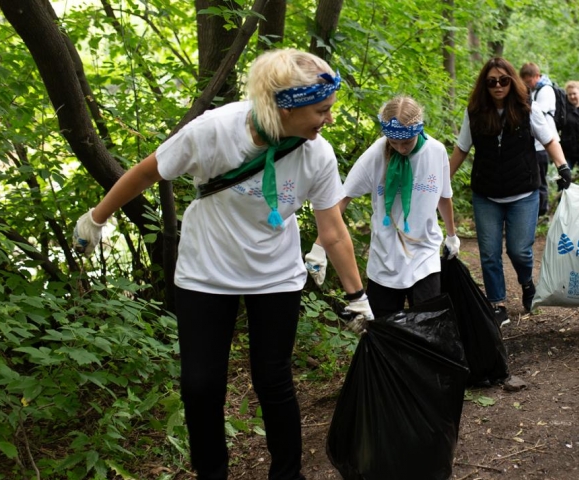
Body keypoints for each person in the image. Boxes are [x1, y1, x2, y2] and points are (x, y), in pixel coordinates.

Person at [71, 48, 373, 480]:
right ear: (286, 107)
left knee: (273, 379)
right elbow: (148, 171)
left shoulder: (317, 154)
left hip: (275, 275)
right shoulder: (214, 130)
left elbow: (334, 230)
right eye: (321, 110)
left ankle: (287, 475)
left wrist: (357, 296)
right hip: (206, 271)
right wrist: (97, 218)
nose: (328, 119)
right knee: (200, 385)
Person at [308, 96, 459, 319]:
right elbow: (341, 199)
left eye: (406, 142)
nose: (401, 148)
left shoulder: (436, 152)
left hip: (424, 253)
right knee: (383, 327)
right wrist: (319, 246)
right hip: (385, 257)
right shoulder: (376, 154)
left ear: (418, 130)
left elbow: (444, 197)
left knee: (427, 324)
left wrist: (452, 235)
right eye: (394, 142)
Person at [450, 57, 571, 324]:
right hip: (486, 194)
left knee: (519, 250)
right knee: (489, 253)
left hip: (523, 193)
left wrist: (562, 167)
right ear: (484, 84)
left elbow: (550, 140)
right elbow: (462, 148)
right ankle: (497, 303)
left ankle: (527, 283)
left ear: (512, 81)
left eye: (503, 80)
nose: (498, 86)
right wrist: (443, 180)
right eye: (492, 81)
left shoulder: (528, 109)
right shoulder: (475, 112)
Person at [519, 62, 559, 216]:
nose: (528, 84)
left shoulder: (546, 90)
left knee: (540, 178)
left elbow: (536, 113)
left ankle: (542, 211)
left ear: (537, 76)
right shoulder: (535, 90)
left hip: (543, 144)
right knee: (534, 177)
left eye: (529, 81)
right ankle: (537, 210)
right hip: (535, 144)